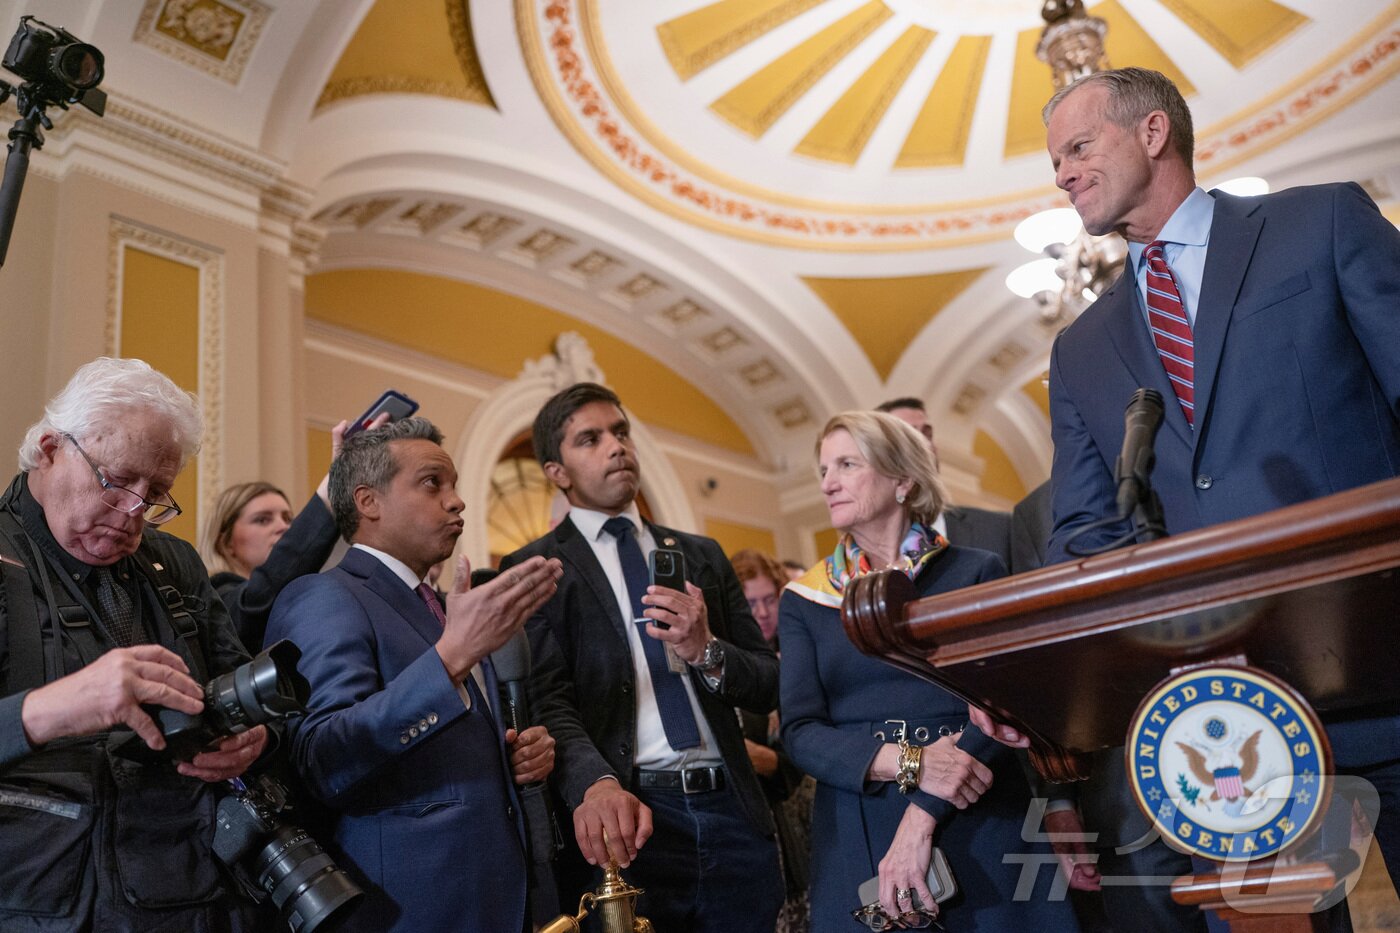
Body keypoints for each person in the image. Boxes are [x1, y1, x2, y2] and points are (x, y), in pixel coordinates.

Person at [1031, 65, 1400, 928]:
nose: (1062, 175)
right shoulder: (1080, 349)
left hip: (1387, 659)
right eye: (1055, 162)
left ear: (1153, 131)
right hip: (1225, 726)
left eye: (1078, 148)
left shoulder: (1321, 224)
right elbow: (1082, 532)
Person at [781, 410, 1080, 932]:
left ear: (902, 479)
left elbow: (1001, 701)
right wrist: (912, 762)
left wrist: (923, 811)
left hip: (978, 803)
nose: (827, 483)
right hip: (857, 817)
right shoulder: (805, 598)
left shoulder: (975, 570)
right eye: (823, 470)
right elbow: (800, 732)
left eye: (847, 465)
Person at [501, 382, 784, 932]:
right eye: (591, 439)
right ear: (557, 471)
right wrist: (595, 783)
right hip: (630, 820)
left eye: (621, 432)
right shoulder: (534, 568)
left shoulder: (701, 555)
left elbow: (769, 679)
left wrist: (706, 650)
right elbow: (550, 702)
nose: (617, 447)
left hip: (731, 811)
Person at [265, 417, 563, 932]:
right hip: (411, 904)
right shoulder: (325, 595)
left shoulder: (443, 606)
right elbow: (323, 758)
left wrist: (512, 755)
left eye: (453, 485)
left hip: (498, 892)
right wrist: (450, 659)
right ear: (368, 502)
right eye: (432, 483)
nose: (457, 501)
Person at [0, 357, 268, 931]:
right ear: (50, 449)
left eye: (157, 494)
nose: (134, 513)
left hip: (190, 892)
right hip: (38, 905)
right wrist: (50, 708)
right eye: (117, 481)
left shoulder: (175, 563)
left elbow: (242, 683)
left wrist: (253, 738)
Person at [202, 417, 384, 651]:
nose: (283, 527)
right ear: (226, 543)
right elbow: (258, 600)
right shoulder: (218, 595)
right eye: (262, 519)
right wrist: (334, 486)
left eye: (288, 518)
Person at [731, 547, 813, 933]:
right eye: (751, 603)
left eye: (770, 600)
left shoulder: (800, 654)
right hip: (750, 822)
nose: (763, 613)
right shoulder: (726, 662)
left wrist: (756, 757)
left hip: (803, 810)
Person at [876, 397, 1012, 565]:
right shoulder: (856, 550)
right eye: (910, 436)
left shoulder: (998, 529)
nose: (926, 445)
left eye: (928, 435)